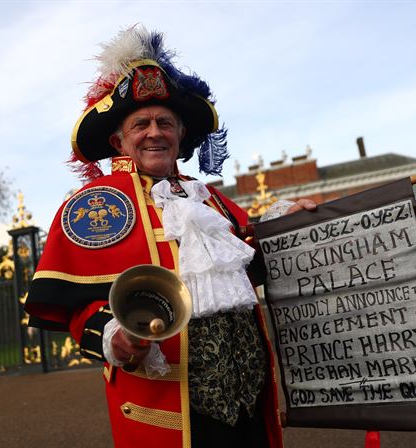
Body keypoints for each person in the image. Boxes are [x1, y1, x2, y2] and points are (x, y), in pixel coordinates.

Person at [25, 26, 315, 448]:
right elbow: (73, 308)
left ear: (181, 138)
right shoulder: (94, 207)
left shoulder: (210, 200)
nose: (155, 132)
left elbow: (251, 266)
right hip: (171, 404)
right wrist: (116, 337)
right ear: (118, 140)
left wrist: (290, 224)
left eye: (166, 123)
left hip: (249, 397)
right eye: (140, 123)